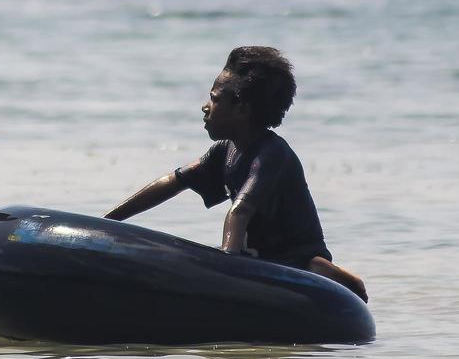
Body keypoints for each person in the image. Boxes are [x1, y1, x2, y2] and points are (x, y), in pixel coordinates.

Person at [105, 46, 367, 302]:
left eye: (215, 98)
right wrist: (107, 223)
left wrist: (226, 269)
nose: (205, 107)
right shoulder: (225, 150)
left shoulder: (271, 154)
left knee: (306, 263)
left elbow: (239, 211)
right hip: (262, 258)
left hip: (294, 260)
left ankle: (327, 272)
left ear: (241, 107)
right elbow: (173, 182)